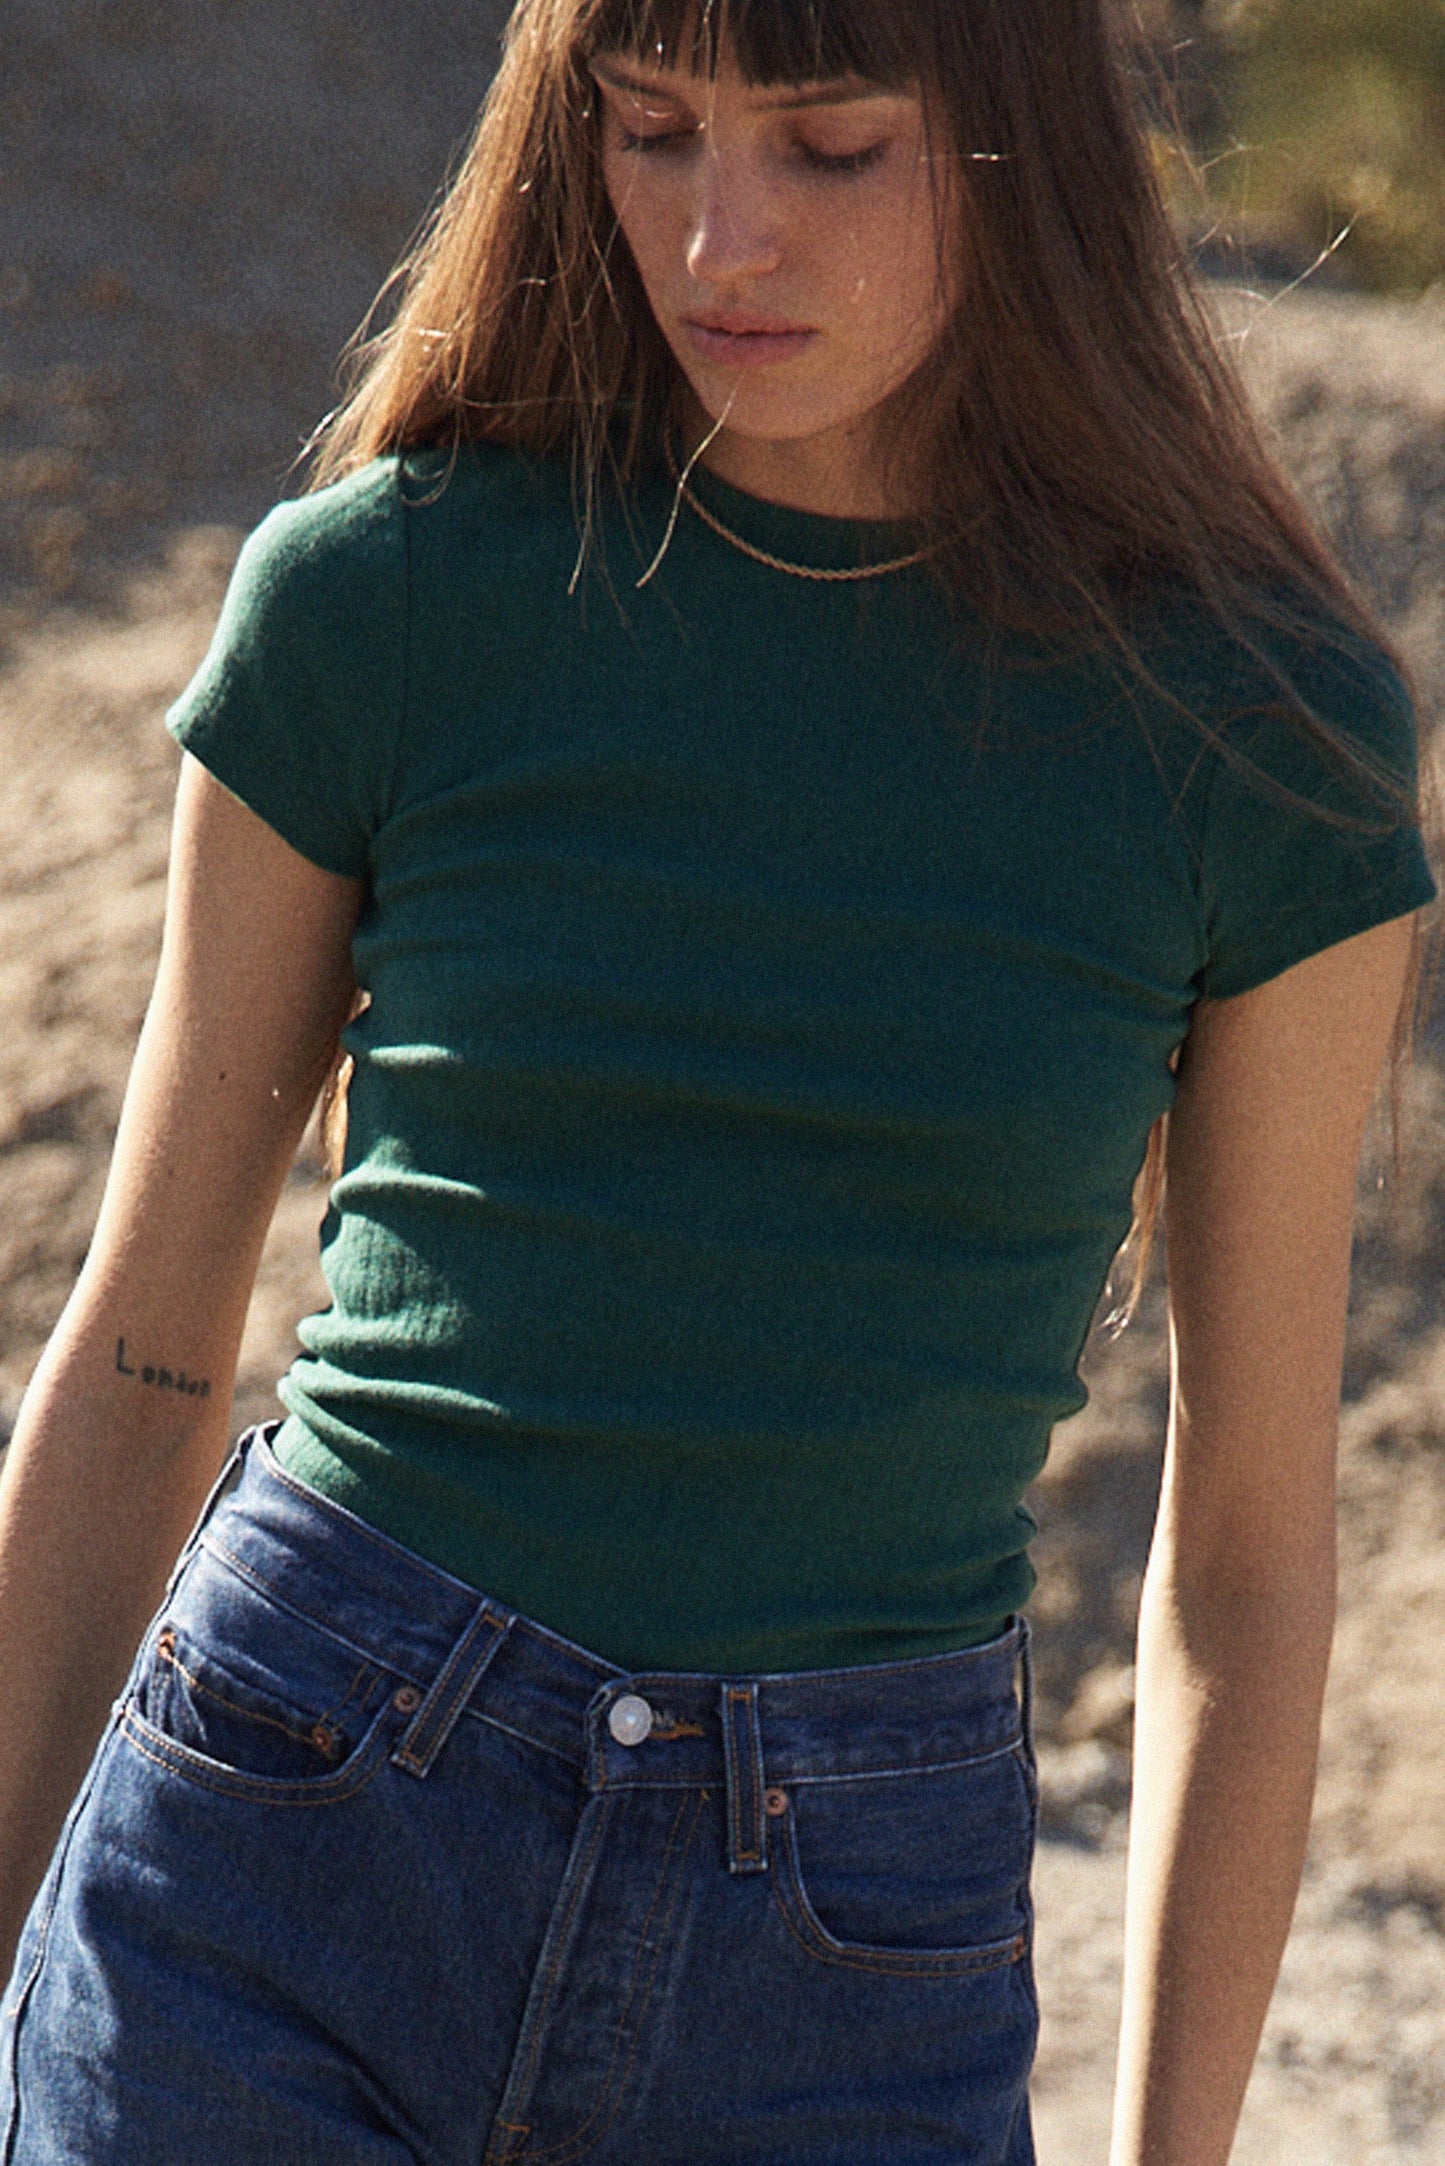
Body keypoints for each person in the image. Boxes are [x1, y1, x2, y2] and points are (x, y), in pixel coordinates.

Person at [0, 1, 1434, 2160]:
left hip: (851, 1947)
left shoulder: (1253, 738)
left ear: (1017, 159)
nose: (715, 239)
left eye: (829, 147)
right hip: (287, 1826)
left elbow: (1238, 1560)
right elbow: (139, 1352)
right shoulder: (385, 601)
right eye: (650, 134)